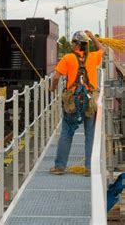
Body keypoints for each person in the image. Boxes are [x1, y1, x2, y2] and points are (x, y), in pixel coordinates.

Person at [49, 30, 104, 176]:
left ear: (76, 44)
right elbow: (102, 49)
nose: (72, 45)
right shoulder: (92, 57)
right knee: (90, 133)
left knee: (67, 132)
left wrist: (52, 88)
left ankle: (60, 167)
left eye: (73, 43)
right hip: (89, 99)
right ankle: (89, 168)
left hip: (72, 101)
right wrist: (92, 37)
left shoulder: (68, 58)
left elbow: (55, 77)